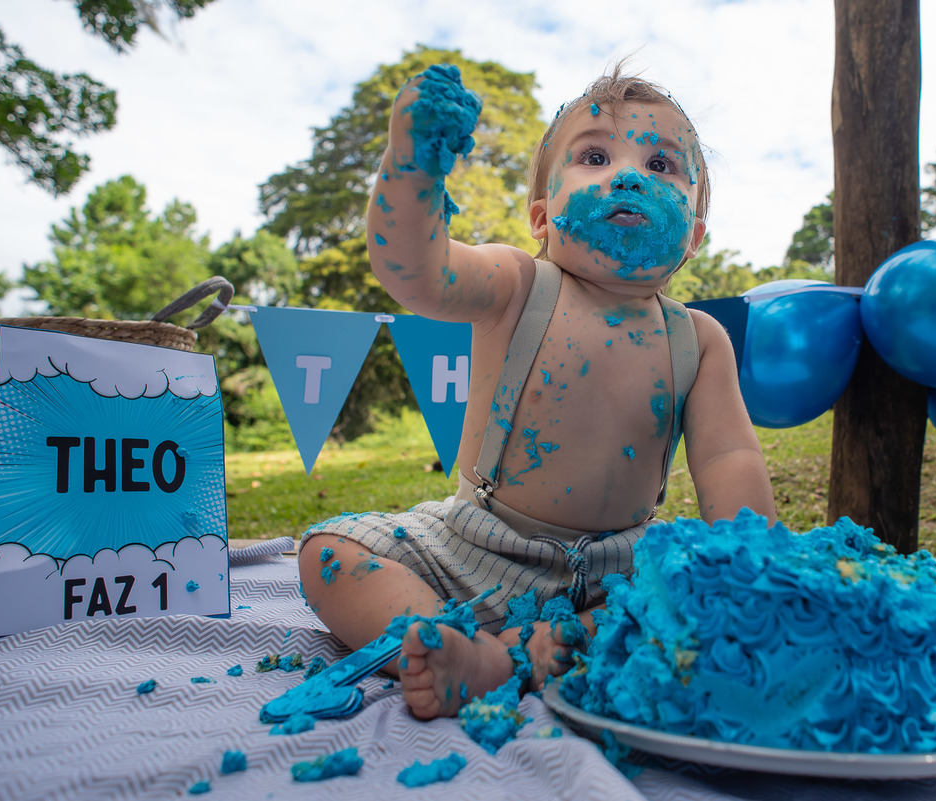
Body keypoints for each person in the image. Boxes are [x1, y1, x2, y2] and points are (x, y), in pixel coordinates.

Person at [298, 61, 776, 721]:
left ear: (693, 237)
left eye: (662, 164)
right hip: (479, 547)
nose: (629, 174)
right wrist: (413, 164)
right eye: (596, 155)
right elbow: (418, 272)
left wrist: (748, 565)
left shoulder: (698, 338)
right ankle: (448, 637)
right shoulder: (517, 285)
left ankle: (518, 655)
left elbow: (730, 459)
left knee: (681, 598)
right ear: (541, 215)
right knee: (329, 554)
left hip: (618, 568)